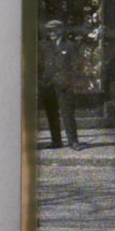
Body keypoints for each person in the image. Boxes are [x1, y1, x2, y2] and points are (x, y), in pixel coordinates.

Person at [37, 20, 80, 149]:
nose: (51, 33)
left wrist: (70, 81)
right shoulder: (43, 46)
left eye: (54, 30)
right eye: (49, 30)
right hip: (47, 85)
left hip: (64, 85)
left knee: (67, 113)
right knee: (51, 114)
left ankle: (73, 141)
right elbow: (38, 65)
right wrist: (41, 81)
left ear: (61, 30)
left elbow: (76, 65)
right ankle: (56, 141)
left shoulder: (69, 46)